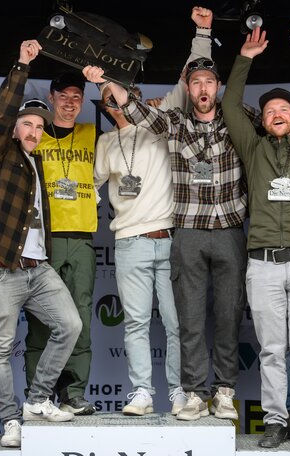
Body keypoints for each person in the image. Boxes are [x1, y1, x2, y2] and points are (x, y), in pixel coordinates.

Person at [102, 31, 261, 425]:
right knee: (188, 319)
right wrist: (107, 81)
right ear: (188, 89)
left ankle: (224, 392)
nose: (203, 88)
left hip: (229, 231)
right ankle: (193, 393)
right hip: (187, 232)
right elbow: (138, 112)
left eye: (209, 82)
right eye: (196, 82)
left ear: (217, 87)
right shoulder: (172, 122)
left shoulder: (240, 121)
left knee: (227, 316)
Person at [85, 5, 215, 417]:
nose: (116, 105)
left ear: (132, 96)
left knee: (178, 326)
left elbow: (190, 77)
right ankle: (142, 391)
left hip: (172, 239)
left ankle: (179, 391)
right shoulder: (105, 145)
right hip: (129, 242)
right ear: (107, 108)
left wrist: (202, 31)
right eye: (109, 102)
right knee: (137, 323)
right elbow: (86, 187)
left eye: (120, 96)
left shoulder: (163, 124)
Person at [221, 14, 290, 448]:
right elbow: (231, 106)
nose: (277, 115)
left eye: (284, 109)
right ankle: (274, 421)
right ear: (264, 122)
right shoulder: (252, 150)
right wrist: (244, 59)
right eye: (269, 112)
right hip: (263, 264)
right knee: (271, 350)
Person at [0, 40, 82, 448]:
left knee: (69, 325)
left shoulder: (35, 163)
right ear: (13, 129)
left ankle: (36, 401)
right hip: (0, 267)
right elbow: (1, 113)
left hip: (37, 267)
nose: (34, 131)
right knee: (0, 349)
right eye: (28, 124)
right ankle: (9, 420)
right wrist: (21, 64)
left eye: (39, 126)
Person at [23, 67, 98, 417]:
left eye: (76, 98)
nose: (69, 103)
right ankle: (38, 395)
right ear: (51, 97)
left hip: (82, 235)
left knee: (80, 317)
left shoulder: (91, 134)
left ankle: (74, 392)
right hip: (43, 240)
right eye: (63, 96)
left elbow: (131, 124)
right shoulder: (34, 136)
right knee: (42, 318)